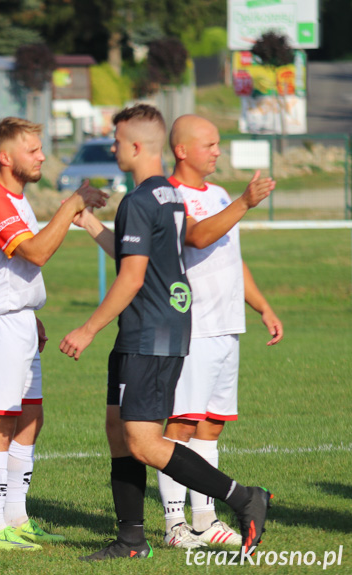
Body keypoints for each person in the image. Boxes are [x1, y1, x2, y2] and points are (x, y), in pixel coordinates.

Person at [60, 104, 272, 561]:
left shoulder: (139, 201)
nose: (112, 147)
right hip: (150, 327)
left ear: (136, 146)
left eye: (117, 140)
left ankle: (243, 498)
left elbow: (133, 277)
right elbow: (140, 257)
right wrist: (92, 223)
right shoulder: (167, 196)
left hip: (150, 331)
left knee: (143, 440)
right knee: (119, 431)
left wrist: (87, 328)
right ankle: (131, 540)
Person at [0, 117, 107, 551]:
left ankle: (16, 517)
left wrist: (29, 311)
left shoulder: (18, 199)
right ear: (6, 157)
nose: (42, 156)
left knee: (30, 419)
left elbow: (13, 268)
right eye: (33, 149)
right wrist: (71, 207)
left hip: (19, 322)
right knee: (1, 423)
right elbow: (38, 252)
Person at [156, 114, 283, 549]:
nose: (217, 151)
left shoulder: (221, 194)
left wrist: (262, 306)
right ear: (182, 150)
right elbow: (196, 237)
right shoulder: (172, 197)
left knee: (210, 427)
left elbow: (231, 255)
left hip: (227, 328)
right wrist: (245, 203)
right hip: (194, 329)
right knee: (180, 426)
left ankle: (205, 519)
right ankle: (175, 525)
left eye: (217, 144)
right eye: (209, 144)